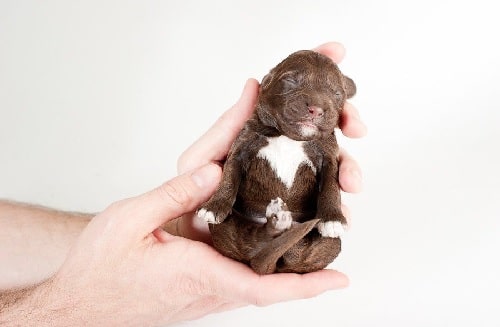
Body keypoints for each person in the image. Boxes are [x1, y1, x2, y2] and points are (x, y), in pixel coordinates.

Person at [0, 42, 367, 326]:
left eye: (334, 95)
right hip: (242, 223)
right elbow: (234, 168)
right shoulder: (256, 129)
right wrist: (73, 306)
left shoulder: (323, 142)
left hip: (300, 230)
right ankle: (267, 242)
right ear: (268, 83)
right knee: (223, 229)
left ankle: (286, 243)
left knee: (326, 246)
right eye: (291, 83)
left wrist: (173, 231)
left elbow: (327, 184)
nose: (316, 105)